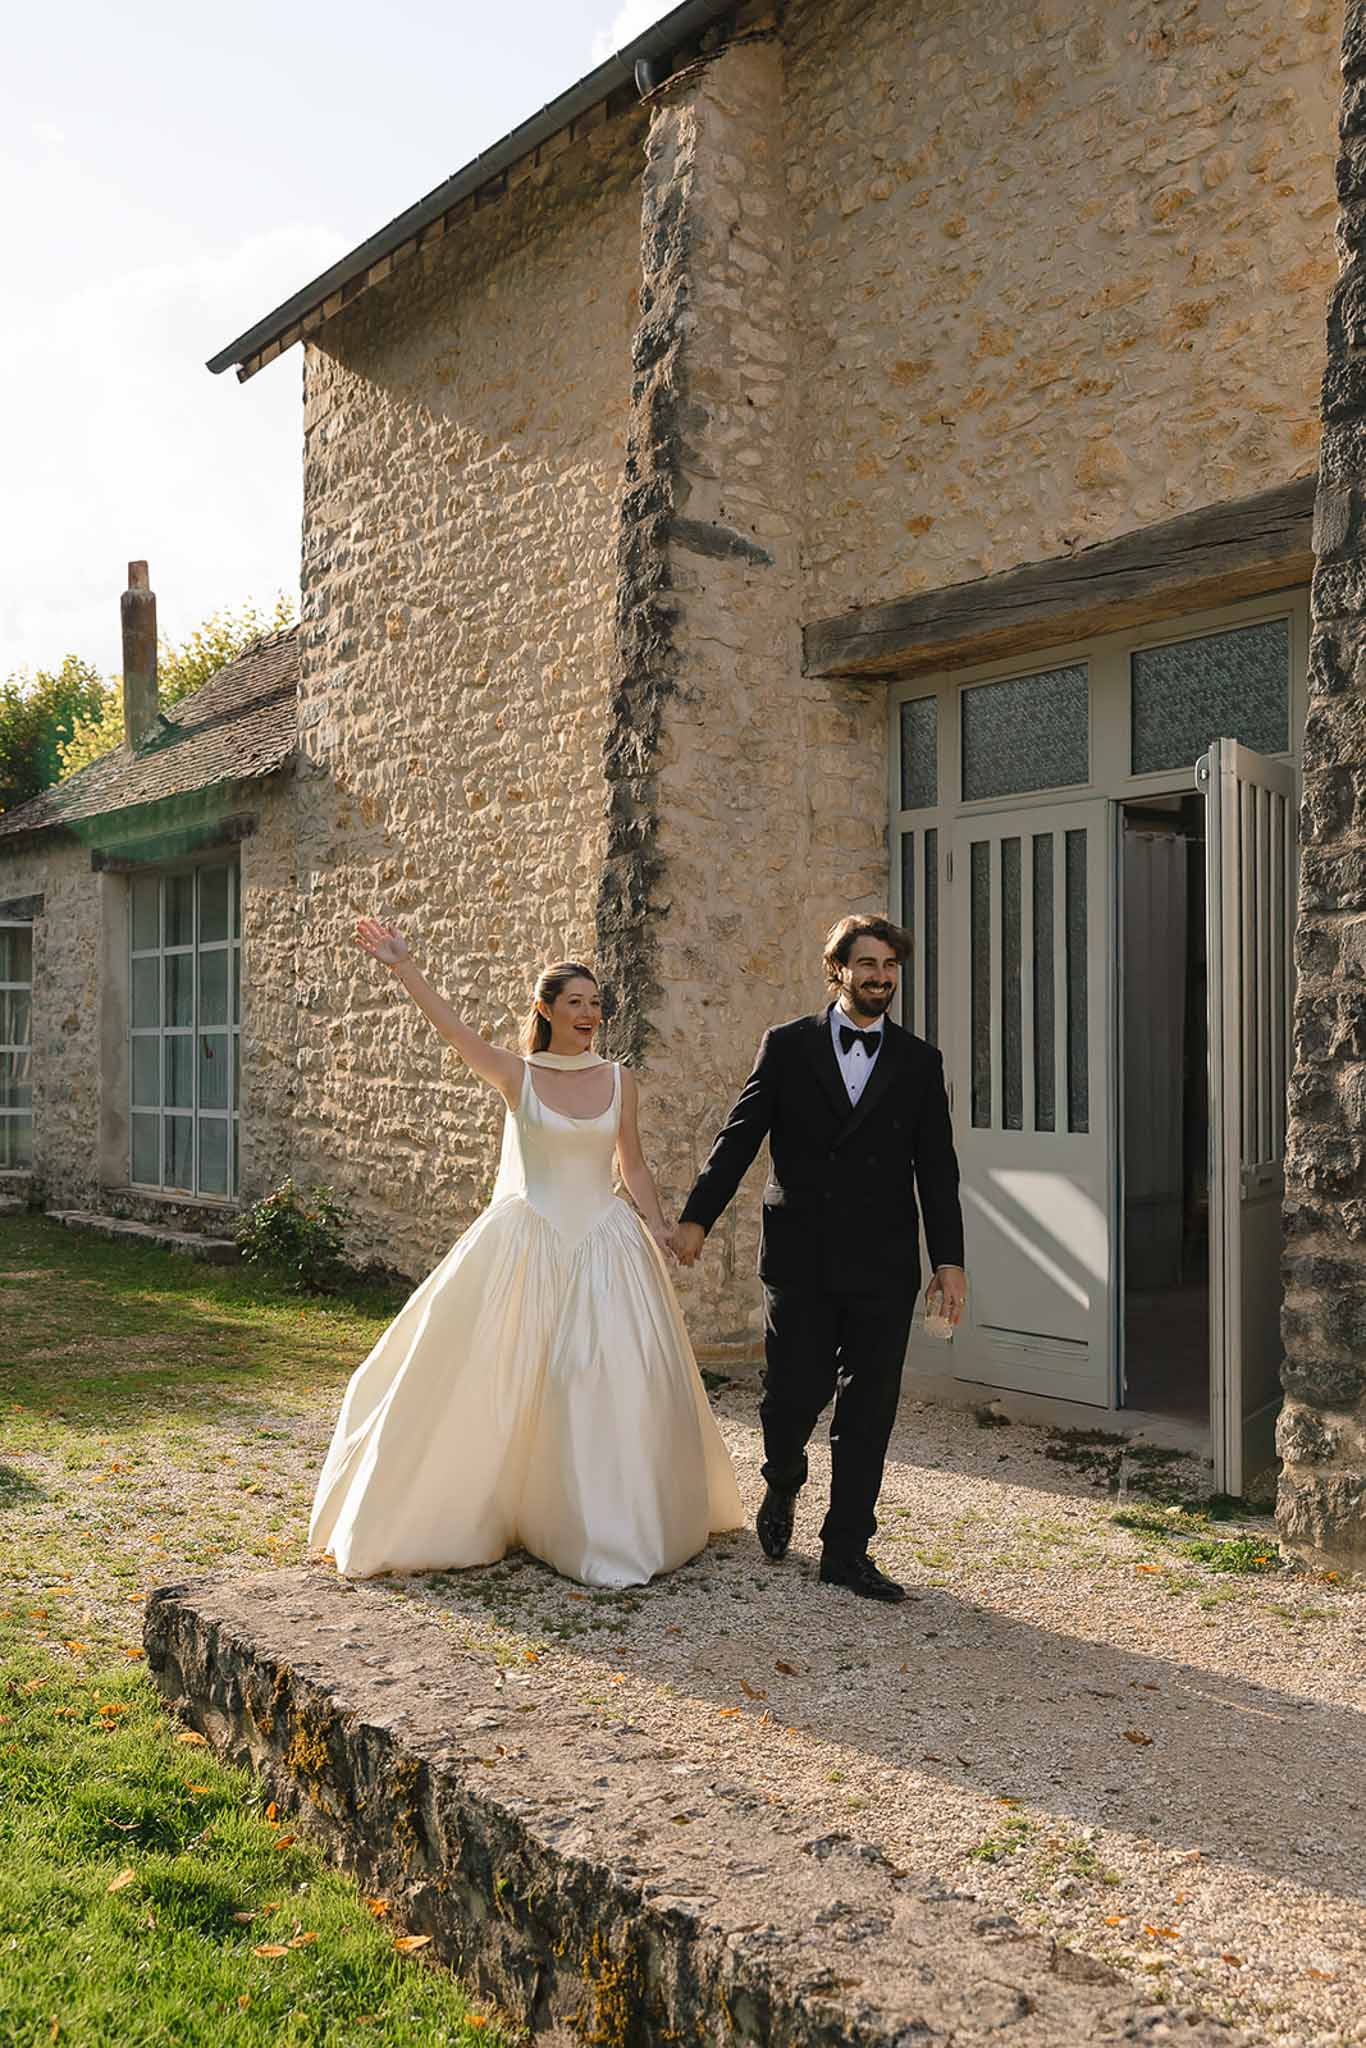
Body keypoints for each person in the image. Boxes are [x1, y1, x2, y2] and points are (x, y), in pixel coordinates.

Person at [309, 925, 742, 1586]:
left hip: (604, 1242)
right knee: (498, 1373)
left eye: (596, 1003)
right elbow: (457, 1035)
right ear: (546, 1009)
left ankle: (598, 1525)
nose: (590, 1014)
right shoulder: (518, 1074)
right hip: (527, 1237)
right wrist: (406, 969)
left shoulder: (620, 1080)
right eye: (575, 1002)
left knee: (596, 1378)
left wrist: (657, 1226)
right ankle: (490, 1509)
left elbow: (634, 1163)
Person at [673, 915, 966, 1604]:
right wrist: (696, 1219)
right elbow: (739, 1138)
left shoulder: (920, 1062)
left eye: (890, 964)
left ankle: (846, 1550)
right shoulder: (787, 1046)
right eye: (867, 963)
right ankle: (781, 1475)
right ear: (837, 970)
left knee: (870, 1407)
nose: (881, 976)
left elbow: (938, 1171)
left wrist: (948, 1261)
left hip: (885, 1262)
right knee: (794, 1393)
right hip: (801, 1256)